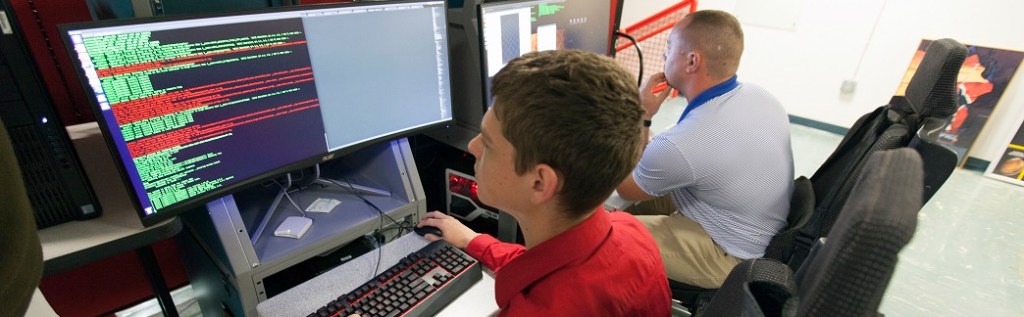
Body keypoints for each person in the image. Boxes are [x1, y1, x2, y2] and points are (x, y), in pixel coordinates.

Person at [416, 49, 671, 316]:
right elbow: (543, 263)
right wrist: (473, 240)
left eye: (488, 143)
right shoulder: (629, 231)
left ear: (539, 183)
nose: (472, 146)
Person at [615, 10, 795, 289]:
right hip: (758, 229)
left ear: (692, 60)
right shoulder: (761, 97)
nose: (664, 56)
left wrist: (641, 115)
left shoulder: (688, 141)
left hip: (729, 254)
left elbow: (627, 188)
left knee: (601, 236)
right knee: (625, 206)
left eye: (669, 47)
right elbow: (673, 158)